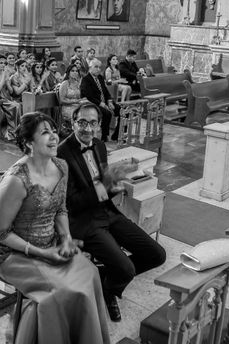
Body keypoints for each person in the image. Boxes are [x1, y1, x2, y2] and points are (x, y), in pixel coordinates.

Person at [0, 112, 110, 344]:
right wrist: (41, 253)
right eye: (45, 132)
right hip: (14, 254)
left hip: (51, 244)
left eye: (54, 130)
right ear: (28, 143)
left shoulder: (61, 166)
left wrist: (66, 238)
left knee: (90, 273)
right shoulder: (16, 180)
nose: (54, 137)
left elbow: (60, 209)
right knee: (60, 292)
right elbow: (0, 233)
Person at [57, 102, 166, 322]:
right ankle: (110, 290)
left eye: (93, 123)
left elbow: (102, 186)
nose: (87, 129)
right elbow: (72, 203)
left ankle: (104, 283)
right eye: (82, 123)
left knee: (157, 255)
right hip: (84, 221)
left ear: (99, 125)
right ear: (72, 123)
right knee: (125, 269)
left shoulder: (98, 145)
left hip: (108, 213)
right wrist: (108, 182)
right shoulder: (61, 153)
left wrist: (116, 184)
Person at [80, 59, 119, 141]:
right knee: (106, 113)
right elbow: (88, 96)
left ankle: (117, 134)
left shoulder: (100, 77)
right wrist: (101, 104)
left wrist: (109, 101)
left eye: (99, 67)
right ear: (90, 68)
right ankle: (104, 136)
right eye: (96, 67)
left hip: (105, 102)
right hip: (94, 103)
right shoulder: (86, 79)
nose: (98, 69)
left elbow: (106, 91)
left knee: (121, 110)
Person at [0, 55, 21, 141]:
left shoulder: (6, 75)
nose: (3, 65)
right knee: (15, 106)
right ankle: (11, 132)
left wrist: (7, 82)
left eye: (4, 63)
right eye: (1, 63)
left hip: (7, 98)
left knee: (18, 105)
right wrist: (3, 78)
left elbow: (10, 91)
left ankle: (16, 131)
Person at [59, 63, 87, 136]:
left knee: (88, 113)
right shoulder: (65, 84)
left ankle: (83, 136)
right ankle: (77, 136)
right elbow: (61, 100)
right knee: (79, 116)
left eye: (76, 71)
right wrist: (75, 101)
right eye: (72, 71)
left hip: (77, 105)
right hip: (67, 107)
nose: (75, 72)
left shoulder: (77, 83)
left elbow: (78, 97)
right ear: (68, 72)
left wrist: (82, 100)